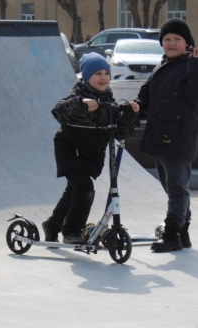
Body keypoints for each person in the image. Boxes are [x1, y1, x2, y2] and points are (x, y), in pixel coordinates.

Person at [129, 18, 198, 252]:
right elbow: (146, 96)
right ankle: (183, 233)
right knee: (170, 187)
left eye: (177, 39)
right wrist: (136, 105)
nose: (172, 43)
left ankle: (172, 234)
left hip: (179, 136)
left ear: (187, 43)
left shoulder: (191, 65)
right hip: (160, 135)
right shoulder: (163, 66)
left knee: (177, 187)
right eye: (167, 39)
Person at [43, 53, 139, 244]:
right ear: (86, 77)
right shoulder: (78, 96)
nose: (103, 77)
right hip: (70, 152)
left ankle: (52, 225)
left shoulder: (109, 104)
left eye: (106, 73)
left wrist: (130, 113)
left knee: (74, 191)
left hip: (91, 157)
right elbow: (58, 111)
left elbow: (120, 133)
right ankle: (71, 231)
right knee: (85, 188)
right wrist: (81, 103)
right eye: (97, 73)